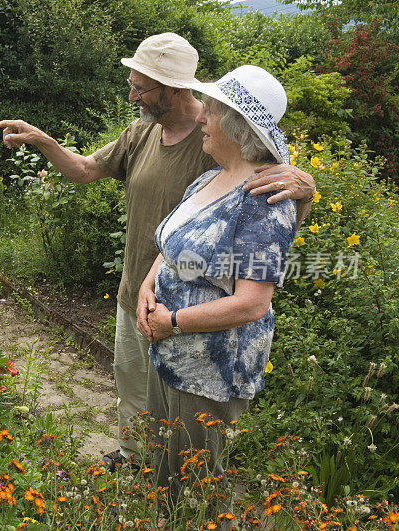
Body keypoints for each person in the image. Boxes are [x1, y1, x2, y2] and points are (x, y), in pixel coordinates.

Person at [0, 33, 315, 471]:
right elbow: (86, 170)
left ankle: (168, 485)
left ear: (175, 89)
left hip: (198, 326)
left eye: (141, 87)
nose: (132, 95)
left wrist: (308, 190)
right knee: (136, 389)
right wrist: (41, 139)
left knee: (187, 438)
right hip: (138, 292)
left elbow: (271, 212)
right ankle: (136, 463)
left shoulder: (219, 145)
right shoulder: (143, 133)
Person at [137, 64, 299, 516]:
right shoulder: (208, 179)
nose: (201, 118)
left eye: (210, 109)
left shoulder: (265, 200)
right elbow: (176, 248)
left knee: (197, 489)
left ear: (236, 124)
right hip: (167, 352)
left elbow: (252, 302)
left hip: (209, 371)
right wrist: (147, 289)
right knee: (163, 471)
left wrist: (171, 322)